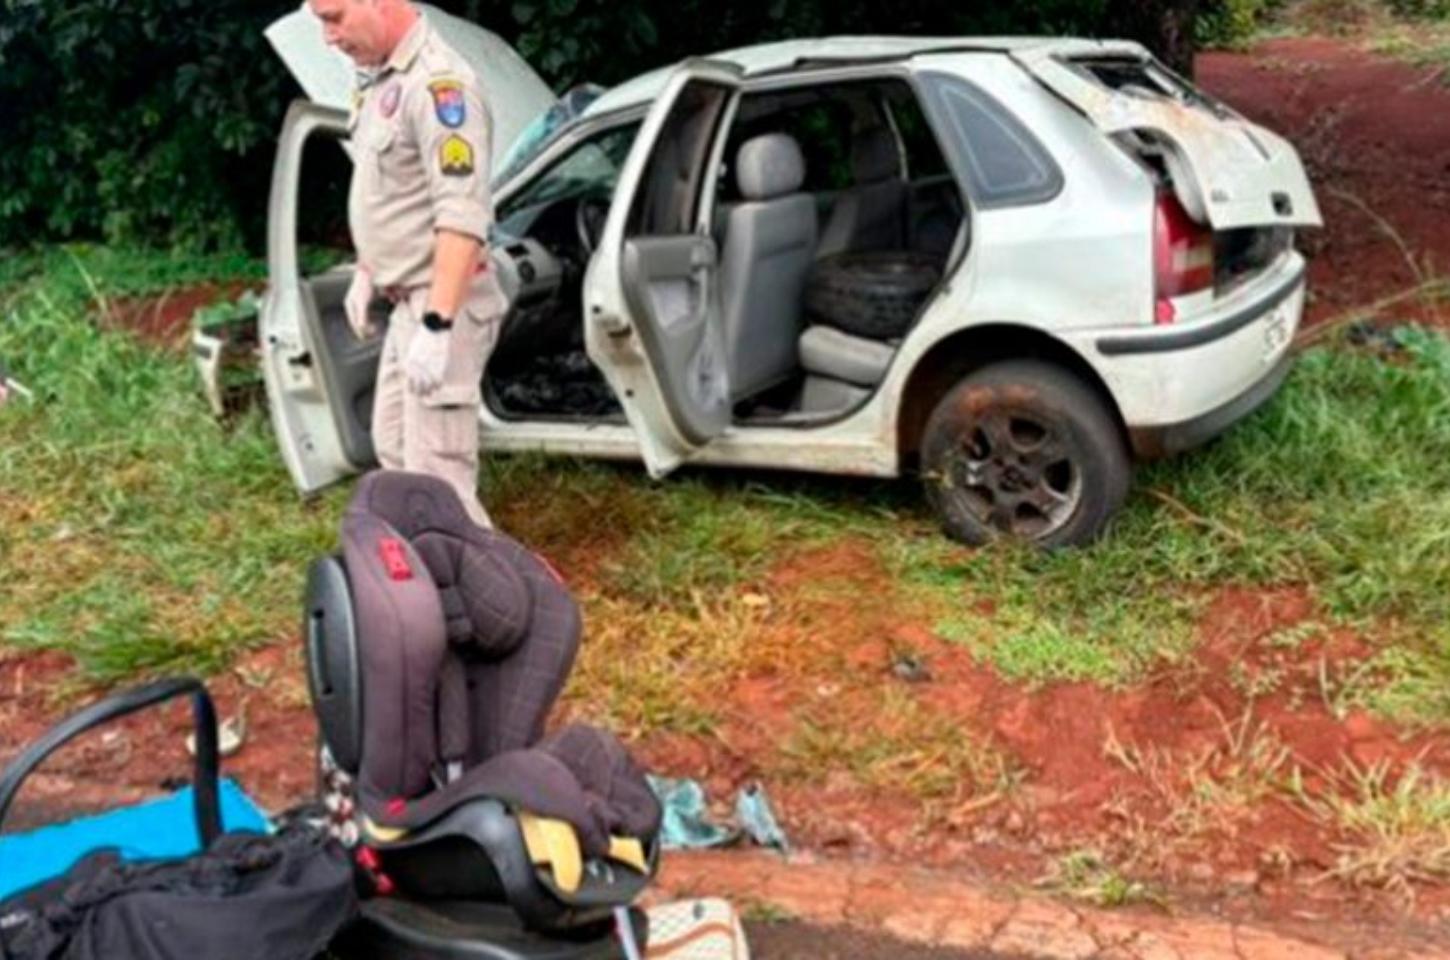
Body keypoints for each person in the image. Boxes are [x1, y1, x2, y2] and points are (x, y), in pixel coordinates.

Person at [310, 0, 504, 527]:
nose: (328, 37)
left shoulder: (441, 87)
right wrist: (367, 271)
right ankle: (426, 578)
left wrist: (438, 325)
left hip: (445, 302)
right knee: (394, 448)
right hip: (406, 303)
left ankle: (488, 599)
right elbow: (395, 196)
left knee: (438, 480)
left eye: (334, 17)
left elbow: (462, 218)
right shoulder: (381, 81)